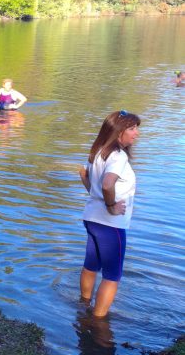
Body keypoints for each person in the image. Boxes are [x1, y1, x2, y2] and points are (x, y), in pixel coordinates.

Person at [78, 110, 141, 317]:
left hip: (92, 218)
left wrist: (101, 199)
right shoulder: (118, 156)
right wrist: (111, 205)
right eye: (132, 128)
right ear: (118, 131)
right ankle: (98, 322)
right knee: (112, 276)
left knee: (90, 266)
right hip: (111, 223)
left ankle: (83, 306)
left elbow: (85, 177)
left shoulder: (98, 151)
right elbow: (106, 184)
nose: (136, 133)